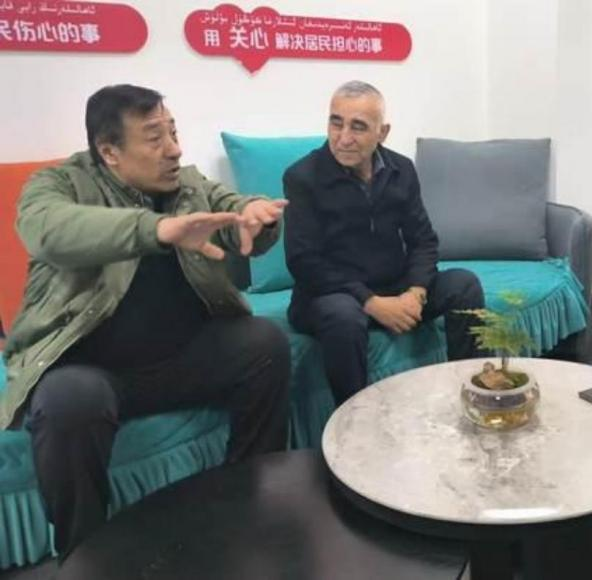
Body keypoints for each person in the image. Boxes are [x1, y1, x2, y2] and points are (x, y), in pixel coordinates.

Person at [1, 84, 292, 559]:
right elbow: (49, 231)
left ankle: (245, 500)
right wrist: (155, 229)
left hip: (181, 357)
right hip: (92, 368)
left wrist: (255, 217)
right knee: (66, 401)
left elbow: (230, 205)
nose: (174, 149)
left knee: (265, 343)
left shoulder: (188, 183)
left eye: (173, 132)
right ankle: (84, 555)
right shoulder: (57, 185)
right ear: (109, 151)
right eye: (155, 138)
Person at [283, 81, 484, 404]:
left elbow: (423, 240)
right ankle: (354, 420)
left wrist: (415, 292)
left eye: (358, 126)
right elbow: (304, 261)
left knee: (464, 284)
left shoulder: (400, 169)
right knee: (344, 316)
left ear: (383, 132)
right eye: (336, 122)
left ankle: (472, 395)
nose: (343, 138)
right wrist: (372, 303)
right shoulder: (302, 177)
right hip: (330, 295)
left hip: (393, 286)